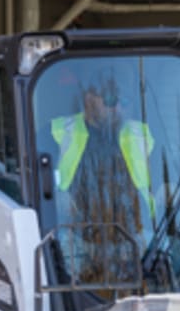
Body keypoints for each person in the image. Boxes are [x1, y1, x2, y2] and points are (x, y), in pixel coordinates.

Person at [47, 69, 155, 286]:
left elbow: (164, 185)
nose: (118, 109)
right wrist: (55, 199)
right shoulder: (58, 133)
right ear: (89, 100)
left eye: (124, 101)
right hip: (74, 240)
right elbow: (39, 184)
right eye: (110, 100)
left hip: (134, 237)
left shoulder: (142, 136)